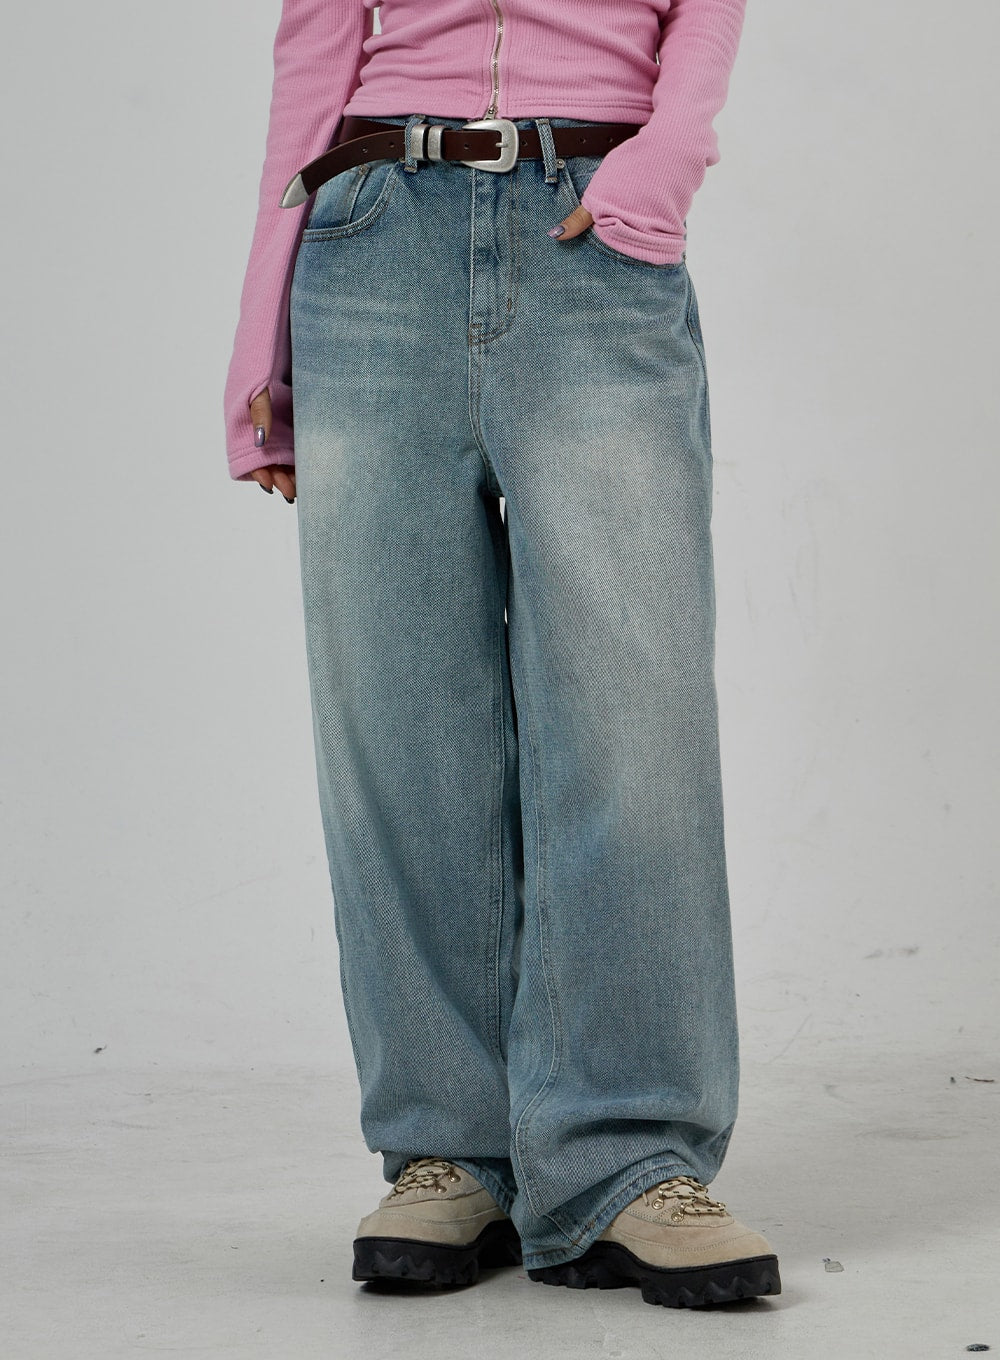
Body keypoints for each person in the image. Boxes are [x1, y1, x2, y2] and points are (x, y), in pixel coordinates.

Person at [223, 0, 781, 1310]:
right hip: (371, 235)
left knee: (631, 718)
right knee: (397, 716)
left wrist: (666, 156)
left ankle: (631, 1157)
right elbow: (313, 49)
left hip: (596, 223)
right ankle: (447, 1148)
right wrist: (260, 348)